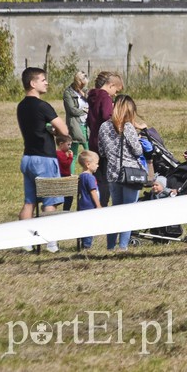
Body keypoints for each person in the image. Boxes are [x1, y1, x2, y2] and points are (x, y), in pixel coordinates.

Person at [17, 67, 69, 253]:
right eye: (43, 79)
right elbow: (64, 131)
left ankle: (26, 242)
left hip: (28, 158)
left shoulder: (21, 106)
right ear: (33, 83)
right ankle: (51, 244)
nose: (46, 82)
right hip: (44, 159)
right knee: (50, 202)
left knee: (29, 201)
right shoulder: (43, 106)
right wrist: (54, 131)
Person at [97, 95, 144, 252]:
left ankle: (110, 246)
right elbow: (138, 151)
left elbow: (102, 151)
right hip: (130, 173)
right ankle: (123, 246)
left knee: (115, 210)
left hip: (112, 173)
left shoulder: (103, 127)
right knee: (128, 211)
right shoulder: (128, 127)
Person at [87, 71, 124, 207]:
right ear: (111, 85)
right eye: (116, 91)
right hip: (104, 143)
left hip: (93, 142)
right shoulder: (105, 97)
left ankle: (94, 201)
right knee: (105, 179)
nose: (115, 94)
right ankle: (102, 205)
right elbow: (107, 115)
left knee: (97, 176)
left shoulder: (93, 96)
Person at [63, 70, 89, 175]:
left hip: (86, 125)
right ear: (78, 82)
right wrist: (84, 111)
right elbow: (71, 110)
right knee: (73, 153)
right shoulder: (68, 93)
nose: (84, 86)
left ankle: (90, 175)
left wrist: (84, 95)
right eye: (82, 84)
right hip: (75, 125)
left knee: (89, 153)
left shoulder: (85, 91)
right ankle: (71, 176)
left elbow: (91, 103)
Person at [76, 150, 103, 249]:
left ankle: (83, 243)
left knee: (83, 225)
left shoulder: (81, 176)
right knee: (90, 226)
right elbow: (93, 192)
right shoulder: (90, 178)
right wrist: (98, 205)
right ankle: (87, 245)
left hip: (82, 205)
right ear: (88, 164)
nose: (98, 166)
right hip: (90, 205)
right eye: (96, 163)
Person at [55, 134, 74, 210]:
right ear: (61, 144)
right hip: (64, 176)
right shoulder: (60, 154)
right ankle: (66, 210)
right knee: (69, 196)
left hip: (61, 175)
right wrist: (70, 157)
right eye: (68, 144)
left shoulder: (58, 153)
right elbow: (66, 164)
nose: (70, 147)